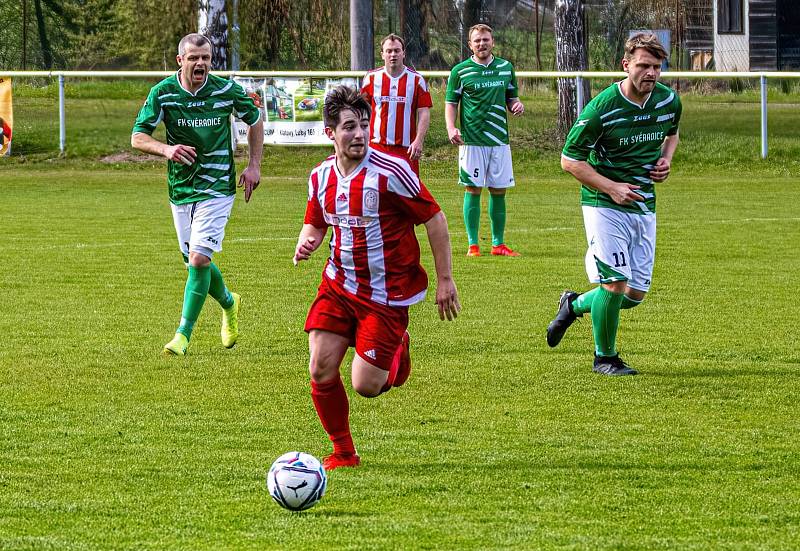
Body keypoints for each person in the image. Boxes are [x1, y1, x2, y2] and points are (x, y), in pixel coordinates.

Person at [293, 86, 460, 470]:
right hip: (337, 285)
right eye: (349, 126)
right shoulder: (320, 177)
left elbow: (434, 219)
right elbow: (316, 223)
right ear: (330, 133)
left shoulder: (392, 171)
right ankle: (344, 453)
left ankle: (398, 345)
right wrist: (307, 242)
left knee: (367, 386)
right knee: (319, 366)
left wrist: (445, 279)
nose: (359, 134)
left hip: (386, 295)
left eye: (364, 125)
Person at [546, 33, 681, 376]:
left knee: (633, 295)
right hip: (602, 203)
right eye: (643, 65)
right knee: (614, 284)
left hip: (644, 204)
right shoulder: (602, 108)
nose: (651, 73)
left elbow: (673, 133)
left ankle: (573, 305)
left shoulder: (668, 101)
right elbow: (569, 160)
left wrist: (666, 159)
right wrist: (611, 188)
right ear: (626, 65)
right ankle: (605, 358)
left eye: (656, 66)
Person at [131, 33, 264, 356]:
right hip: (181, 188)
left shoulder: (226, 90)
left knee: (199, 258)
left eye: (205, 57)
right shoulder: (163, 93)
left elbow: (255, 120)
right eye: (194, 58)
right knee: (194, 264)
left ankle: (182, 335)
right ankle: (230, 303)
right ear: (181, 61)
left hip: (218, 187)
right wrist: (167, 149)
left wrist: (254, 165)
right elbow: (138, 137)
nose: (200, 63)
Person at [445, 24, 525, 257]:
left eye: (486, 40)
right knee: (473, 189)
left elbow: (512, 99)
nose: (482, 44)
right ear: (470, 44)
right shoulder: (460, 71)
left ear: (493, 42)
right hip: (472, 140)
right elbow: (451, 103)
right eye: (477, 40)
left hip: (499, 140)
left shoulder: (506, 68)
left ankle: (498, 245)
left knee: (499, 190)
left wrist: (516, 105)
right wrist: (451, 127)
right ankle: (473, 245)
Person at [361, 33, 432, 175]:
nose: (393, 54)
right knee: (376, 191)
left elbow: (424, 112)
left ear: (403, 53)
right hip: (377, 147)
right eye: (389, 51)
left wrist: (419, 140)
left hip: (406, 148)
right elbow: (361, 111)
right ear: (382, 54)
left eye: (397, 51)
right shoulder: (371, 78)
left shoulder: (416, 80)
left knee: (408, 193)